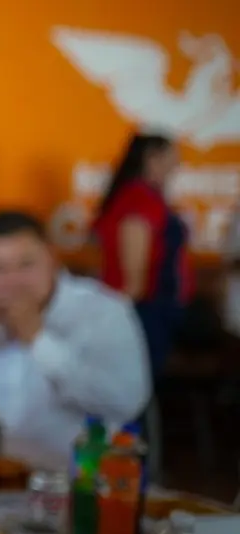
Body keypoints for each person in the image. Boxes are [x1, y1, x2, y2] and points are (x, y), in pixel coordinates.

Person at [0, 211, 152, 470]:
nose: (13, 282)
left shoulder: (104, 311)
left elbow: (126, 401)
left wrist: (38, 339)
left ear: (52, 257)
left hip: (80, 479)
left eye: (26, 265)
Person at [91, 133, 188, 377]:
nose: (177, 165)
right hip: (141, 314)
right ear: (152, 159)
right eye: (172, 158)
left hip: (147, 310)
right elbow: (134, 280)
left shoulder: (147, 198)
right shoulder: (138, 200)